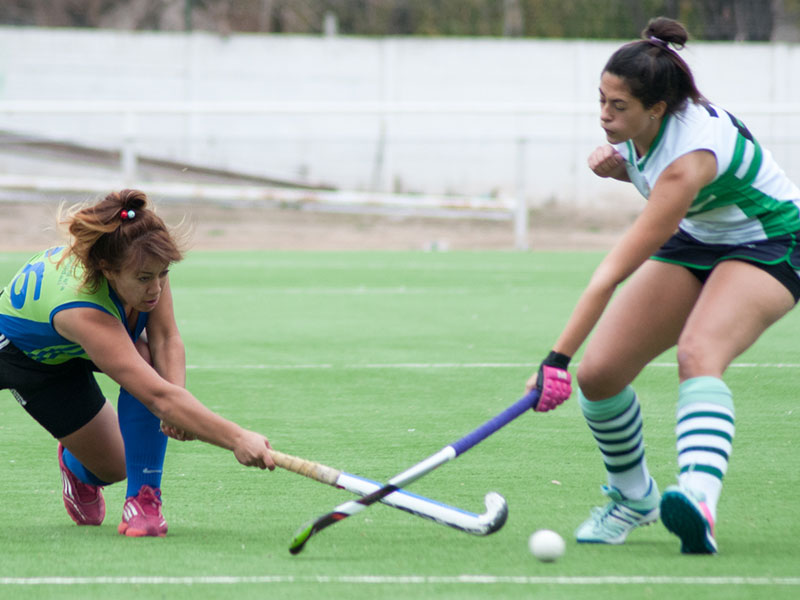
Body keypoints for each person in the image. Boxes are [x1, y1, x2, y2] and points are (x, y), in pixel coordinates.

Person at [526, 16, 800, 555]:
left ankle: (697, 500)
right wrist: (621, 169)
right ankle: (635, 498)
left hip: (772, 240)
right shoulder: (641, 129)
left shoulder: (687, 159)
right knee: (600, 376)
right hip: (698, 237)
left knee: (699, 353)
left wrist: (556, 360)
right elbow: (654, 171)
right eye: (601, 100)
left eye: (618, 106)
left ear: (656, 108)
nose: (604, 115)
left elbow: (611, 273)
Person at [0, 189, 275, 537]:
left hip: (76, 343)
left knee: (119, 457)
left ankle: (140, 501)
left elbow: (166, 339)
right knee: (140, 413)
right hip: (23, 356)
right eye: (145, 278)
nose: (156, 288)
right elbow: (157, 398)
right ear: (108, 270)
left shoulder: (145, 262)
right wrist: (237, 438)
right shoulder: (84, 310)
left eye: (163, 274)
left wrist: (175, 404)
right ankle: (98, 471)